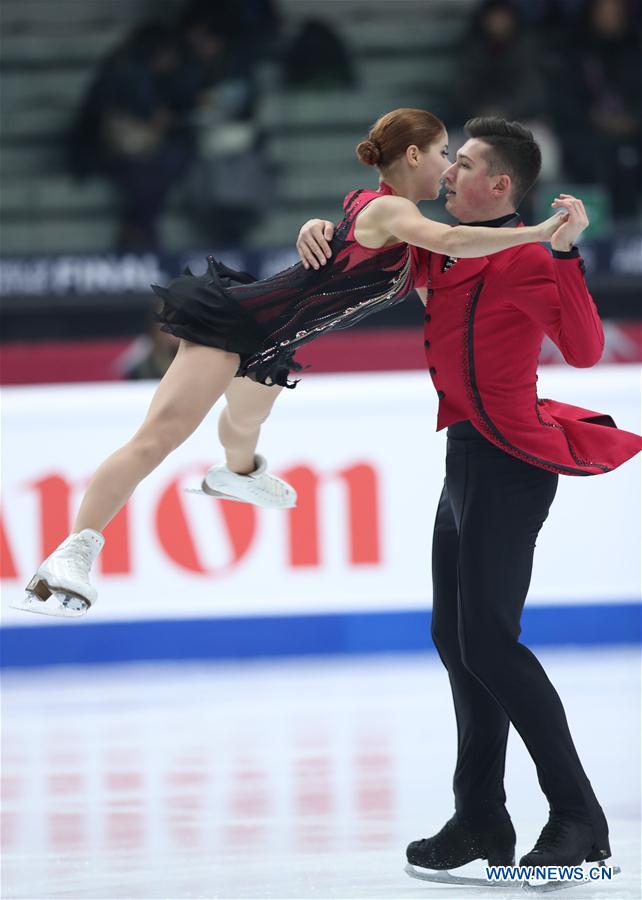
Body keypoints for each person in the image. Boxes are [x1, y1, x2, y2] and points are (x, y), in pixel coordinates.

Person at [17, 108, 567, 622]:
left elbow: (430, 266)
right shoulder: (390, 210)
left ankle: (237, 474)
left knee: (245, 425)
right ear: (415, 157)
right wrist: (535, 232)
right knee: (158, 439)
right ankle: (70, 556)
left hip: (273, 341)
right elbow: (448, 237)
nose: (449, 168)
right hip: (236, 325)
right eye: (445, 152)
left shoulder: (391, 225)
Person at [295, 117, 642, 872]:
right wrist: (319, 226)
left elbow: (583, 351)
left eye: (467, 163)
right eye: (452, 160)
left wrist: (565, 253)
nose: (449, 171)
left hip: (515, 461)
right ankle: (481, 818)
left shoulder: (529, 256)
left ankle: (581, 819)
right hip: (464, 457)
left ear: (503, 186)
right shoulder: (435, 245)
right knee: (456, 642)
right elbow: (374, 234)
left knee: (489, 641)